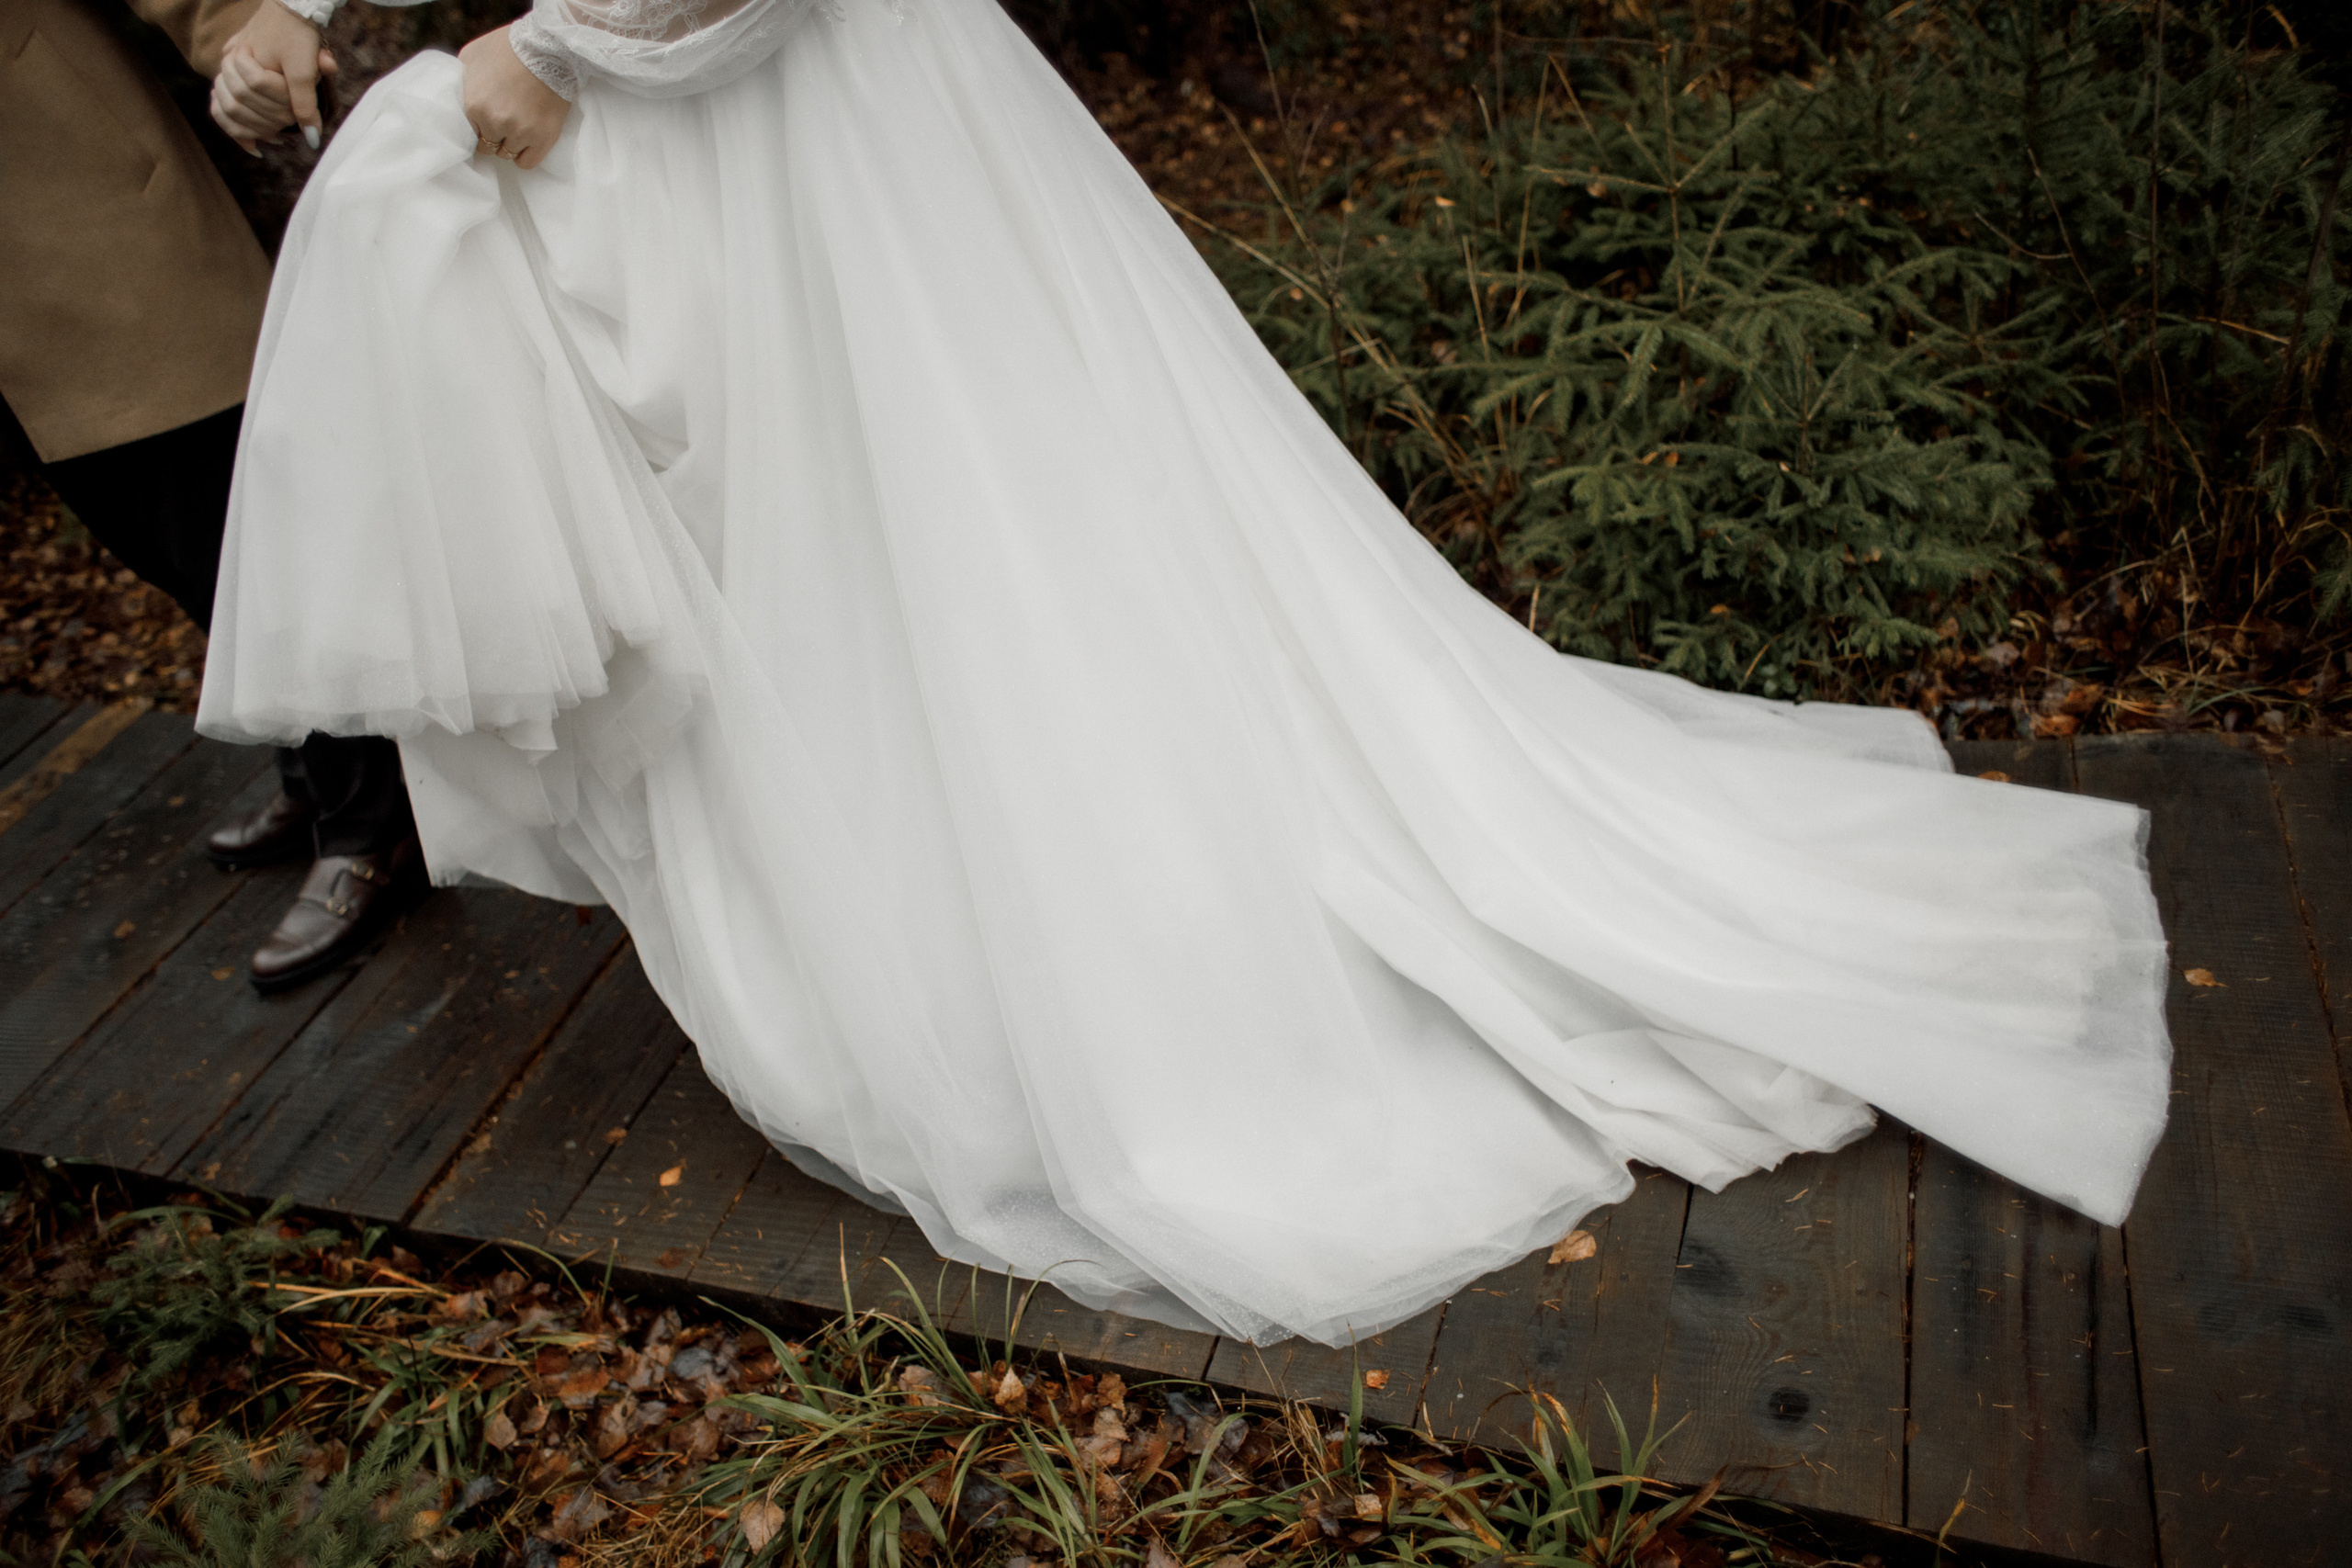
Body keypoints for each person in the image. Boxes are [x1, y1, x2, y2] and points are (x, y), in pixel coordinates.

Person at [199, 0, 2173, 1347]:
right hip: (657, 129)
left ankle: (1094, 956)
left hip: (790, 110)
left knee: (957, 552)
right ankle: (927, 935)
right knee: (816, 587)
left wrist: (569, 32)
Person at [0, 0, 423, 991]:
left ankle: (374, 823)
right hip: (18, 308)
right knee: (156, 545)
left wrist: (250, 30)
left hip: (94, 226)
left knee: (242, 547)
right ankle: (308, 770)